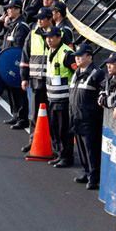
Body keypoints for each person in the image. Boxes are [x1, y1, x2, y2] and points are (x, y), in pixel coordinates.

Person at [68, 43, 105, 189]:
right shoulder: (76, 73)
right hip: (76, 116)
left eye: (80, 56)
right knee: (81, 148)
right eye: (76, 56)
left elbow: (102, 92)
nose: (77, 58)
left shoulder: (97, 73)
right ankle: (86, 171)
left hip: (89, 119)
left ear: (89, 57)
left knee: (91, 149)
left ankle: (94, 177)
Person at [20, 8, 55, 143]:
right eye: (38, 18)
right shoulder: (33, 34)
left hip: (52, 83)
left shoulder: (59, 34)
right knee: (35, 114)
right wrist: (24, 78)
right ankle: (33, 142)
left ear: (50, 19)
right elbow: (25, 56)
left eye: (42, 18)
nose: (39, 21)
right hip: (36, 81)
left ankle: (51, 143)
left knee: (52, 115)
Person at [43, 26, 75, 168]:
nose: (49, 40)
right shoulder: (50, 51)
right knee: (55, 129)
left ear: (59, 38)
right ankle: (59, 154)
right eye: (47, 37)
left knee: (64, 130)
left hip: (64, 99)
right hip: (52, 98)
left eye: (51, 37)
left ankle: (66, 157)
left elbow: (77, 73)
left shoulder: (67, 54)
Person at [0, 0, 30, 127]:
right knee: (11, 90)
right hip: (9, 62)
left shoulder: (21, 27)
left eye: (11, 8)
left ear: (18, 10)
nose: (8, 11)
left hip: (16, 64)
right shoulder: (13, 25)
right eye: (8, 8)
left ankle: (22, 118)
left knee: (18, 92)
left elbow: (18, 49)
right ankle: (15, 114)